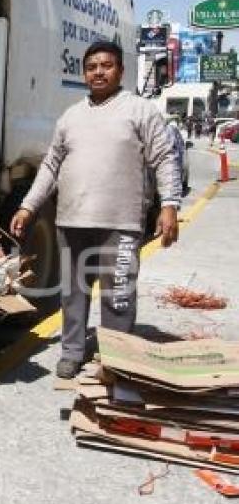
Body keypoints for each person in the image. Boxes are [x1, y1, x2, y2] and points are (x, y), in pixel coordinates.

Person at [9, 41, 182, 379]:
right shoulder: (70, 117)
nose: (99, 72)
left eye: (106, 65)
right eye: (92, 67)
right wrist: (28, 207)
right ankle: (72, 352)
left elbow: (165, 158)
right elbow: (50, 166)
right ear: (84, 73)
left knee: (118, 295)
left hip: (121, 223)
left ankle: (118, 360)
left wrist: (170, 205)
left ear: (120, 71)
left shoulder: (140, 110)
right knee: (73, 293)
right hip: (71, 221)